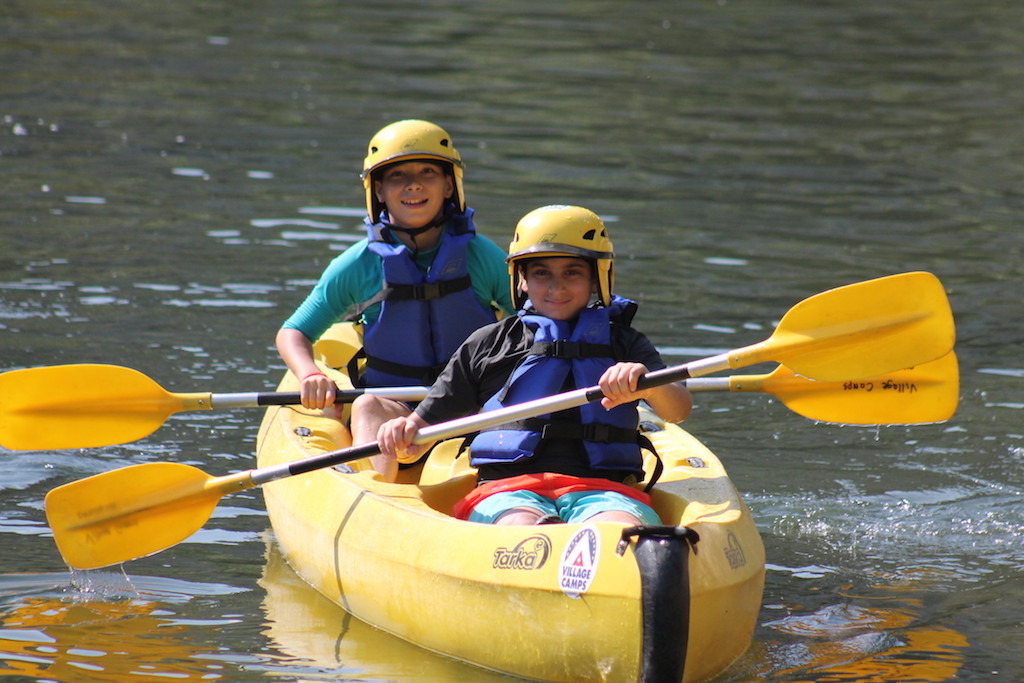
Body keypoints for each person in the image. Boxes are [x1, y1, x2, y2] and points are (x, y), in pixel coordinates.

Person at [377, 205, 692, 526]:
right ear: (522, 279)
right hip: (507, 491)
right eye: (542, 273)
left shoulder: (625, 343)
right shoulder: (488, 344)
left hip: (604, 491)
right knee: (521, 524)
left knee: (620, 527)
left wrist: (647, 383)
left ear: (597, 279)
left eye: (572, 272)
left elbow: (677, 409)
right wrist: (402, 433)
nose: (557, 287)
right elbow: (418, 438)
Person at [276, 120, 515, 480]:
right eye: (397, 175)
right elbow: (294, 332)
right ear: (380, 191)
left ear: (449, 185)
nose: (413, 184)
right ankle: (378, 493)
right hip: (396, 407)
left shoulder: (482, 257)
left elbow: (536, 323)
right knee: (367, 405)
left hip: (474, 403)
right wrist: (309, 373)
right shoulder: (359, 265)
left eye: (428, 172)